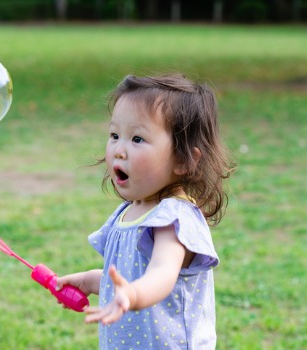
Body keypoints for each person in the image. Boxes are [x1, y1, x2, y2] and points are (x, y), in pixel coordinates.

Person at [55, 74, 235, 349]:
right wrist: (91, 281)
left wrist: (133, 294)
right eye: (115, 135)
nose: (119, 150)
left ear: (184, 160)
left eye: (137, 139)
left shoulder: (174, 217)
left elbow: (162, 273)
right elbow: (134, 276)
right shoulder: (128, 212)